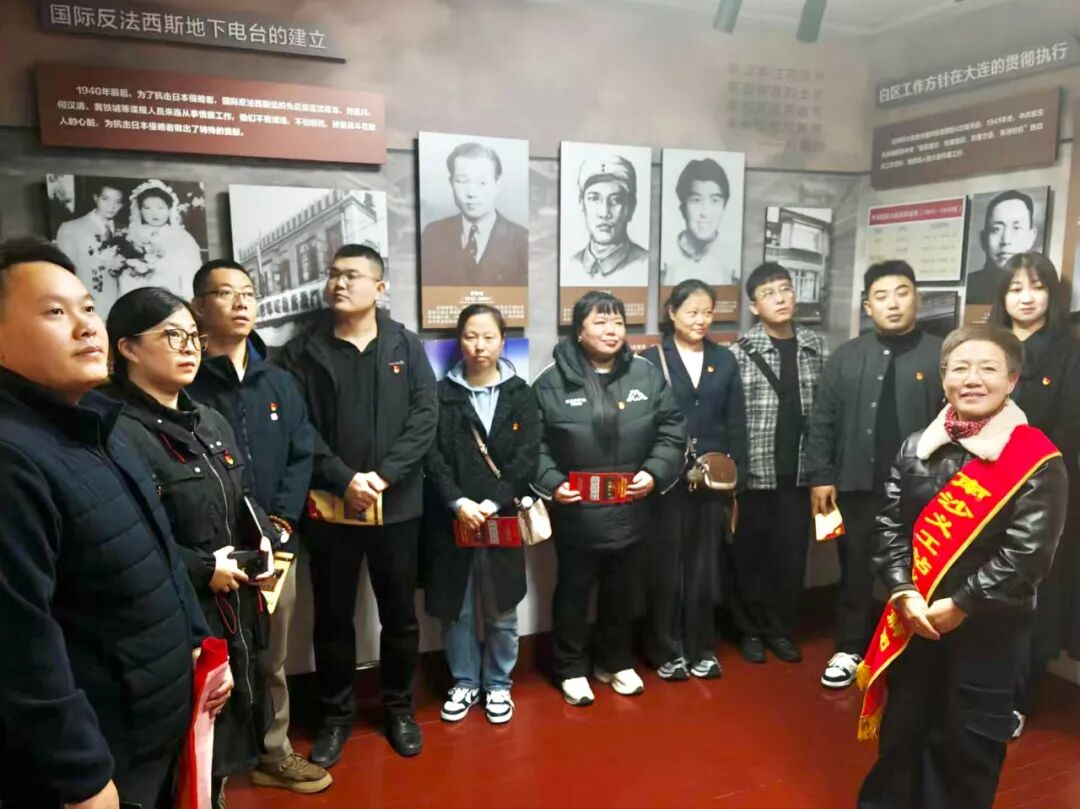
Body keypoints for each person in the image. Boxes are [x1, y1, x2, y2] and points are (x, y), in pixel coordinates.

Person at [0, 238, 223, 809]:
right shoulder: (13, 459)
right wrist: (82, 776)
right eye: (55, 312)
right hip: (100, 757)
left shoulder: (99, 425)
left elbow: (159, 554)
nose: (85, 327)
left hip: (155, 726)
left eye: (88, 308)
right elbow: (19, 643)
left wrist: (197, 642)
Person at [856, 325, 1067, 809]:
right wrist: (902, 589)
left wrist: (963, 603)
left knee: (967, 748)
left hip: (989, 630)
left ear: (1011, 380)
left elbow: (1027, 555)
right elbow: (888, 526)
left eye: (988, 368)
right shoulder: (917, 446)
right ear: (944, 377)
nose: (972, 379)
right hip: (914, 620)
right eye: (960, 368)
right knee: (902, 736)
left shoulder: (1036, 460)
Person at [103, 287, 279, 806]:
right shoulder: (114, 430)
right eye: (171, 336)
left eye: (193, 336)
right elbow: (124, 538)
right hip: (171, 620)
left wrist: (264, 543)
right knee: (177, 758)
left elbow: (242, 496)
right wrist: (203, 569)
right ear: (128, 348)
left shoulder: (209, 419)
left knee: (219, 748)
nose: (189, 348)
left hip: (233, 610)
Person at [280, 243, 437, 766]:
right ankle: (335, 717)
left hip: (397, 506)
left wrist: (384, 476)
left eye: (351, 275)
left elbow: (425, 417)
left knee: (400, 617)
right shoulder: (303, 351)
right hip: (331, 507)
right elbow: (299, 427)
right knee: (332, 617)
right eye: (333, 274)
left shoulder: (405, 345)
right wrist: (345, 478)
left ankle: (399, 709)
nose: (339, 283)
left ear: (379, 287)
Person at [187, 259, 332, 793]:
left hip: (273, 546)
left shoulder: (279, 381)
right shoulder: (186, 381)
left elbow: (301, 451)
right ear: (200, 307)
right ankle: (210, 772)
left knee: (271, 655)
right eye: (226, 293)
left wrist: (280, 520)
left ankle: (274, 751)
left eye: (248, 292)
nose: (241, 302)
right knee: (210, 659)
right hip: (208, 552)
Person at [533, 291, 685, 706]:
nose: (611, 330)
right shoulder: (550, 380)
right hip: (577, 512)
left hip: (633, 506)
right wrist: (552, 482)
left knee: (623, 591)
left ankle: (615, 661)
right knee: (574, 591)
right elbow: (532, 444)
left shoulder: (646, 374)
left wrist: (654, 473)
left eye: (617, 322)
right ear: (579, 331)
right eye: (600, 322)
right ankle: (570, 668)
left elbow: (672, 429)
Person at [806, 261, 944, 690]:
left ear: (917, 298)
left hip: (923, 488)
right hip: (858, 483)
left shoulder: (942, 353)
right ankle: (850, 648)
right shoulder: (847, 356)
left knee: (924, 569)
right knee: (856, 568)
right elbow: (823, 420)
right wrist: (820, 476)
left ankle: (919, 650)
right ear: (868, 306)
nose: (893, 304)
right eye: (881, 297)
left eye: (902, 293)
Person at [423, 304, 541, 724]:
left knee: (501, 607)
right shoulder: (441, 394)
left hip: (501, 516)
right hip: (452, 519)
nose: (480, 346)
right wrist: (458, 503)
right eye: (471, 336)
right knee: (456, 608)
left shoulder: (521, 393)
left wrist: (492, 503)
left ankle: (498, 684)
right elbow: (432, 456)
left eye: (489, 337)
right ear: (459, 341)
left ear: (503, 341)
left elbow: (526, 458)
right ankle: (464, 682)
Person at [987, 252, 1080, 734]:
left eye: (1036, 287)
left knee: (1031, 600)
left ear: (1052, 295)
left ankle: (1017, 698)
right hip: (981, 494)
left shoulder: (1069, 354)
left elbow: (1068, 433)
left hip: (1040, 496)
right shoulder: (988, 347)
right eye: (1015, 288)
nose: (1025, 297)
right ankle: (978, 689)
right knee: (983, 592)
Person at [640, 280, 746, 680]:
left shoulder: (724, 359)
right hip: (667, 479)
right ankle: (665, 649)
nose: (701, 320)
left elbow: (736, 420)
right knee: (664, 568)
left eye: (707, 312)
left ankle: (702, 647)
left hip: (712, 479)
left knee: (704, 568)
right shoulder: (651, 360)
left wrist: (736, 474)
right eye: (692, 312)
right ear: (672, 314)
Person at [729, 262, 828, 665]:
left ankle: (781, 630)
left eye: (785, 289)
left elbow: (827, 413)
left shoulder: (817, 348)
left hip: (800, 473)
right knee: (749, 556)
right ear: (755, 306)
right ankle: (749, 630)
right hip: (755, 473)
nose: (780, 298)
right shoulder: (739, 353)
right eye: (769, 293)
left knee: (791, 558)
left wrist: (823, 470)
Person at [420, 142, 529, 287]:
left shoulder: (522, 239)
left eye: (482, 183)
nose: (471, 193)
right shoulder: (433, 234)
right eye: (462, 181)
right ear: (451, 183)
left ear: (498, 185)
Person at [562, 155, 649, 286]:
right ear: (582, 204)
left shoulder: (644, 262)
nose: (604, 213)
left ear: (631, 207)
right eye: (594, 199)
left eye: (616, 200)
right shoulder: (571, 264)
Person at [118, 180, 203, 301]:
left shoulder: (183, 238)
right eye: (147, 208)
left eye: (160, 208)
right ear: (140, 210)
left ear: (169, 209)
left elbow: (191, 275)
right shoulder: (131, 236)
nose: (154, 213)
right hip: (137, 295)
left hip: (171, 296)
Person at [661, 159, 737, 287]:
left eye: (715, 200)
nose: (705, 212)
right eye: (696, 200)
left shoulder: (733, 263)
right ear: (682, 208)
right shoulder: (664, 259)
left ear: (724, 207)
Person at [965, 190, 1039, 305]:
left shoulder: (1041, 287)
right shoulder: (969, 287)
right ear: (983, 239)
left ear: (1031, 237)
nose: (1005, 240)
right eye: (996, 230)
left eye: (1016, 228)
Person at [54, 179, 124, 295]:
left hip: (118, 297)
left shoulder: (125, 230)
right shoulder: (70, 228)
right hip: (85, 296)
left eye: (117, 201)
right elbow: (64, 272)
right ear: (96, 198)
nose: (112, 206)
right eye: (105, 199)